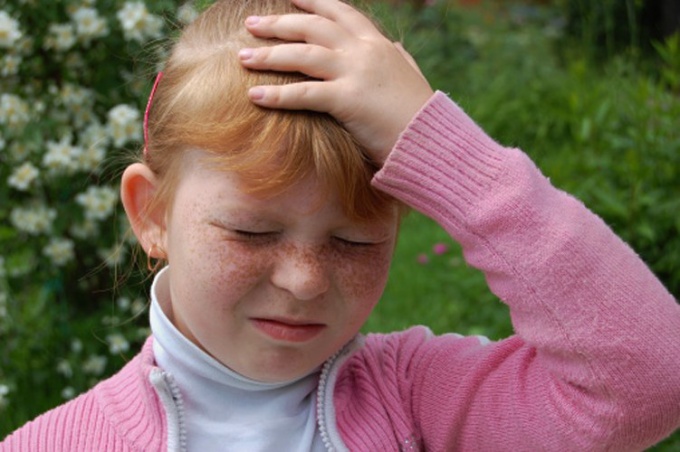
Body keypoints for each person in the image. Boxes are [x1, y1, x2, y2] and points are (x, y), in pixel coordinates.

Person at [2, 0, 680, 450]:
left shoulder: (419, 404)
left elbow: (649, 376)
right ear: (151, 214)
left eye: (354, 240)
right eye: (252, 232)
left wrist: (447, 152)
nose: (303, 281)